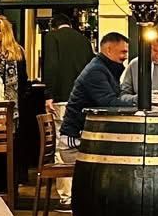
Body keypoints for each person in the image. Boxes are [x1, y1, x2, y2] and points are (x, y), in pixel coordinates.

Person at [56, 30, 130, 163]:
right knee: (117, 162)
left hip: (86, 138)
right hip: (74, 145)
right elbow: (109, 103)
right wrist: (142, 103)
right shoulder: (96, 71)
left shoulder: (104, 68)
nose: (125, 56)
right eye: (123, 52)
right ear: (108, 49)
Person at [39, 10, 93, 113]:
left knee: (61, 127)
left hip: (61, 96)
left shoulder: (52, 36)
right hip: (82, 98)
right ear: (70, 25)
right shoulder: (84, 40)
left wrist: (49, 95)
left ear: (53, 27)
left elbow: (51, 66)